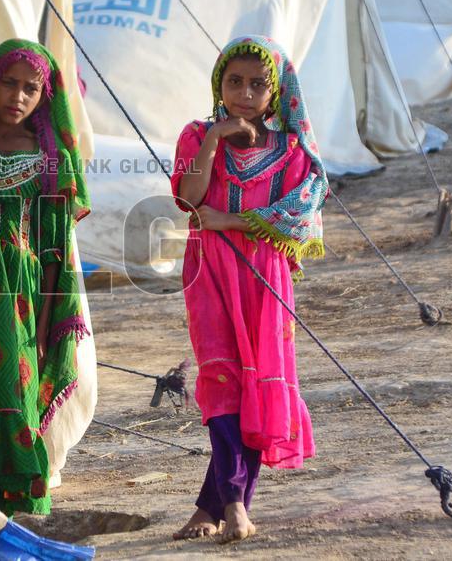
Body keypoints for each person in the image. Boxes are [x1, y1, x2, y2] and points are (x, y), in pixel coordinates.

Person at [170, 35, 328, 543]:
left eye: (257, 84)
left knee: (257, 385)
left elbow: (298, 217)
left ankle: (215, 508)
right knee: (221, 379)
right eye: (234, 82)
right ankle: (234, 504)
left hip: (264, 274)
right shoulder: (196, 136)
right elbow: (189, 200)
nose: (245, 94)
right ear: (219, 84)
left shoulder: (291, 151)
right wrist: (215, 139)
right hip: (209, 271)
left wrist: (230, 220)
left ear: (275, 90)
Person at [0, 39, 90, 516]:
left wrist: (44, 323)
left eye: (31, 88)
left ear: (45, 97)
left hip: (17, 293)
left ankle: (16, 497)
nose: (18, 97)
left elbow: (53, 251)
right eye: (9, 83)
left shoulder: (49, 158)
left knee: (14, 387)